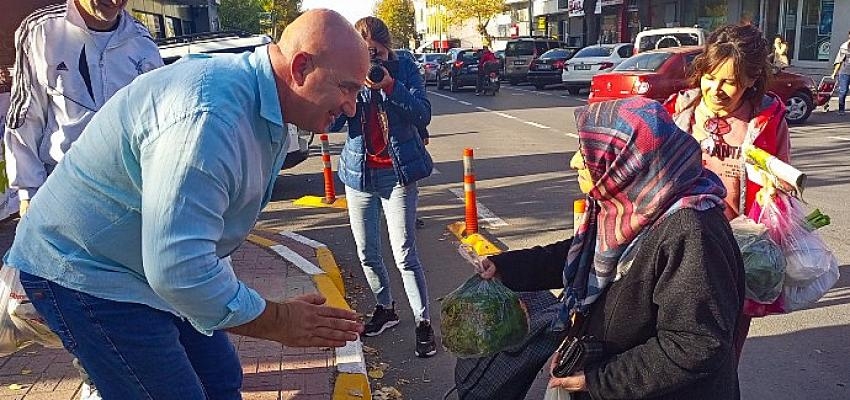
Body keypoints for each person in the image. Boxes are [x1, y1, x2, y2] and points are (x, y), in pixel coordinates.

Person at [3, 9, 368, 399]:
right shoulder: (212, 117)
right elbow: (179, 269)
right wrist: (277, 320)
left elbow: (192, 244)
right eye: (347, 88)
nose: (351, 106)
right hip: (85, 272)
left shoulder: (258, 103)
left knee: (221, 381)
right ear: (300, 67)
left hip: (134, 268)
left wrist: (264, 312)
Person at [458, 97, 743, 400]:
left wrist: (597, 380)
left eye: (585, 151)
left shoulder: (691, 231)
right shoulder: (635, 205)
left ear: (628, 158)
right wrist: (505, 268)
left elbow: (696, 343)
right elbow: (582, 256)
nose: (574, 161)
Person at [665, 24, 790, 358]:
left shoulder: (766, 120)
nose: (715, 89)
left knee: (722, 350)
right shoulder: (679, 112)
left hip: (737, 252)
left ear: (750, 80)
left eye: (729, 81)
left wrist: (774, 193)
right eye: (710, 76)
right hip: (679, 247)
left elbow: (782, 182)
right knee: (673, 346)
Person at [329, 16, 436, 358]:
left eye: (375, 52)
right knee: (367, 251)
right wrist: (344, 89)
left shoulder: (404, 67)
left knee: (404, 253)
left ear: (387, 47)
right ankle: (385, 308)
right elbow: (332, 122)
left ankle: (423, 323)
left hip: (397, 173)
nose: (371, 61)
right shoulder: (350, 71)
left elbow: (423, 114)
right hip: (359, 174)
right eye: (364, 54)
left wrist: (390, 87)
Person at [5, 0, 163, 217]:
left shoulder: (142, 39)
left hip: (130, 195)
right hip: (64, 193)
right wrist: (29, 192)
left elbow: (156, 119)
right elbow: (25, 115)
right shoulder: (41, 31)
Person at [832, 30, 850, 115]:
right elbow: (839, 61)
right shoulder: (844, 47)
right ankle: (841, 109)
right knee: (843, 91)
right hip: (845, 72)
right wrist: (834, 73)